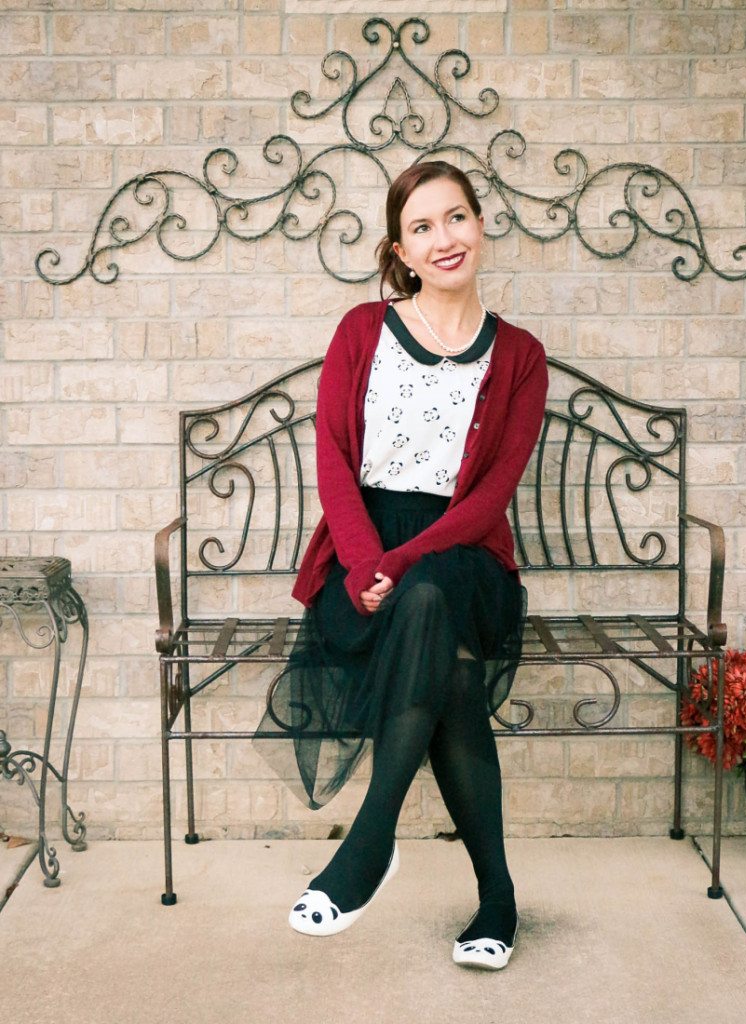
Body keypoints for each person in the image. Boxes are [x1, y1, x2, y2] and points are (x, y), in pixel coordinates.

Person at [252, 159, 548, 970]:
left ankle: (369, 843)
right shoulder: (360, 330)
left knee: (427, 601)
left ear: (480, 225)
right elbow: (333, 460)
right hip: (359, 552)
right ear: (400, 250)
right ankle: (496, 900)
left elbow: (488, 499)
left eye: (455, 218)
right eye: (421, 227)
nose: (443, 238)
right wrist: (362, 564)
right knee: (445, 666)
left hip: (460, 553)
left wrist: (404, 559)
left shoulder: (519, 355)